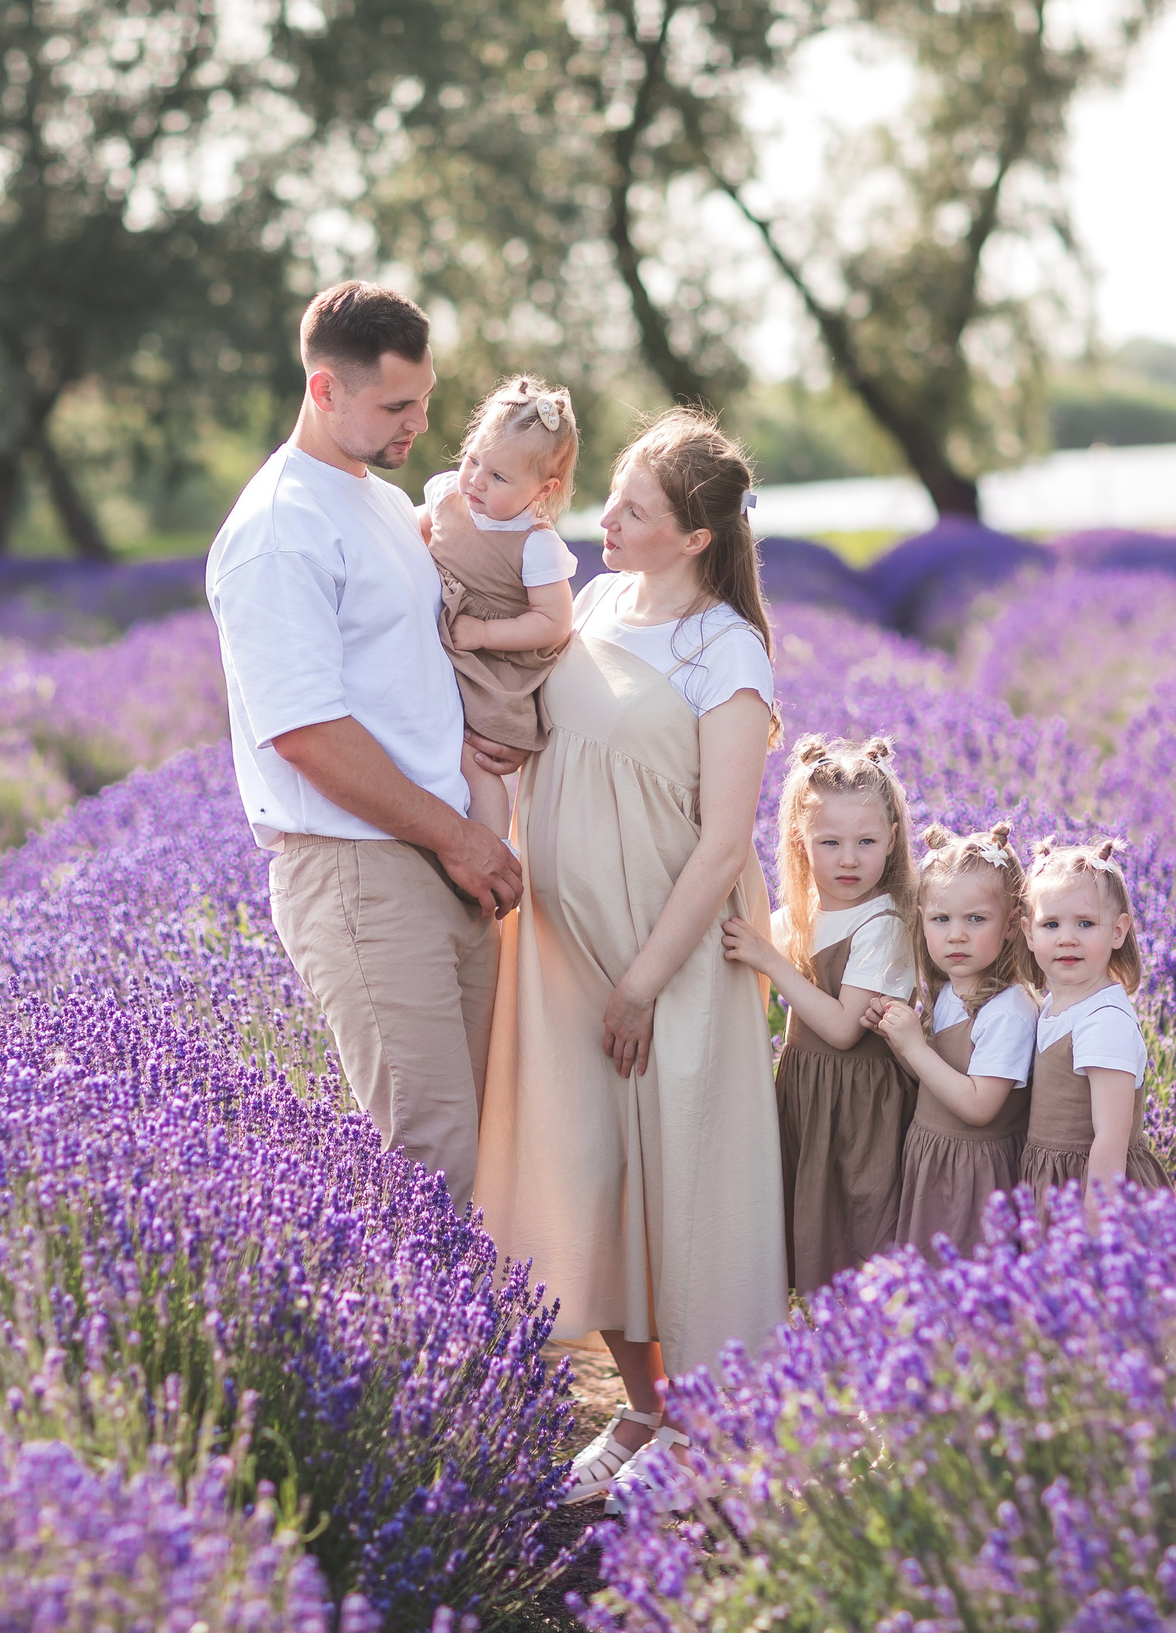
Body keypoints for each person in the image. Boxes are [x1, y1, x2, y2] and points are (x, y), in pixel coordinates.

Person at [471, 407, 785, 1514]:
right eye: (610, 494)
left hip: (666, 964)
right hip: (558, 952)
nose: (604, 517)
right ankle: (644, 1403)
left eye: (633, 508)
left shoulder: (725, 650)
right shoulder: (595, 602)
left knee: (680, 1186)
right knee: (587, 1173)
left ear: (694, 535)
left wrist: (646, 977)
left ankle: (709, 1429)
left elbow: (720, 842)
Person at [205, 281, 523, 1207]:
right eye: (396, 405)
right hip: (360, 870)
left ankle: (503, 1350)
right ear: (324, 390)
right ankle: (436, 1354)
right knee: (431, 1161)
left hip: (439, 853)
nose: (420, 423)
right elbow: (306, 733)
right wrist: (460, 836)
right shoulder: (278, 531)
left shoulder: (379, 501)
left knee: (486, 1150)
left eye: (424, 400)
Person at [722, 734, 919, 1295]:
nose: (850, 859)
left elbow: (839, 1028)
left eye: (866, 841)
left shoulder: (881, 923)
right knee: (812, 1223)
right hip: (811, 1093)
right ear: (799, 841)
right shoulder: (804, 913)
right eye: (830, 842)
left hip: (862, 1105)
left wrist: (766, 957)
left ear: (893, 840)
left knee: (857, 1229)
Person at [417, 376, 580, 840]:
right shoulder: (449, 495)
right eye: (473, 460)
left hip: (491, 667)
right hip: (441, 645)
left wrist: (485, 634)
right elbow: (409, 533)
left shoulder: (537, 544)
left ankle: (491, 848)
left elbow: (554, 622)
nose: (476, 481)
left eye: (499, 477)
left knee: (475, 758)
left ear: (543, 490)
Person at [874, 823, 1039, 1253]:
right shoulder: (949, 991)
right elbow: (938, 1077)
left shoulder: (1009, 1010)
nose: (956, 935)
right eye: (941, 919)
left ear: (1010, 926)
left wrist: (914, 1046)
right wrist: (897, 1037)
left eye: (976, 919)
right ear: (922, 920)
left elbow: (979, 1105)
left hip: (976, 1177)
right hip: (935, 1163)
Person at [1018, 838, 1172, 1219]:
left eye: (1085, 924)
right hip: (1051, 1181)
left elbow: (1110, 1138)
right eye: (1050, 924)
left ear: (1118, 932)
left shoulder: (1104, 1021)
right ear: (1028, 933)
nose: (1067, 938)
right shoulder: (1053, 1004)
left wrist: (1093, 1232)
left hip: (1091, 1190)